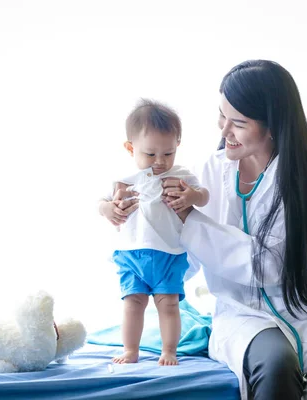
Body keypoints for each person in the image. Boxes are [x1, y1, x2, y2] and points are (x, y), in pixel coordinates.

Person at [138, 60, 307, 399]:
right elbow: (181, 259)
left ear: (272, 125)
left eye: (238, 123)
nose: (223, 131)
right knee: (276, 364)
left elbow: (270, 264)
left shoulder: (304, 179)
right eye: (221, 116)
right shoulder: (208, 171)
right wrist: (139, 221)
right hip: (242, 315)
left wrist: (190, 218)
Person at [98, 99, 209, 366]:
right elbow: (102, 203)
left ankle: (169, 351)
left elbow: (204, 197)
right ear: (130, 147)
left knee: (169, 305)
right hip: (130, 252)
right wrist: (108, 209)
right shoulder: (124, 178)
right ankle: (130, 350)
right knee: (132, 303)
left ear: (177, 147)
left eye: (168, 153)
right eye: (150, 154)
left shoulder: (181, 174)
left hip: (169, 253)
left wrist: (192, 195)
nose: (160, 162)